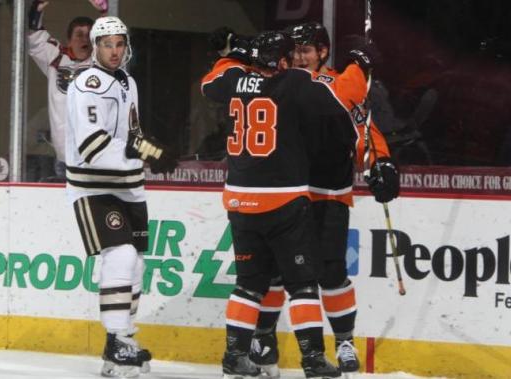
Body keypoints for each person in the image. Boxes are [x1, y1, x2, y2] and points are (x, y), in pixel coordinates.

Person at [201, 29, 366, 379]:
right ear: (280, 60)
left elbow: (210, 79)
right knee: (303, 283)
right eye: (289, 55)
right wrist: (359, 66)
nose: (293, 60)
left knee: (248, 285)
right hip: (282, 201)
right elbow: (346, 95)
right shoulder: (292, 83)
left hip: (239, 201)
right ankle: (312, 359)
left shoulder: (233, 80)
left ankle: (234, 356)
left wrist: (235, 55)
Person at [247, 22, 400, 378]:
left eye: (307, 49)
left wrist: (381, 162)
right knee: (273, 271)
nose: (299, 55)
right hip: (283, 194)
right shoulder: (281, 84)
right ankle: (264, 336)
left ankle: (344, 341)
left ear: (323, 53)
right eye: (295, 50)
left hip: (328, 193)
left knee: (331, 270)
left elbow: (365, 132)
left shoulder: (336, 88)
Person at [66, 16, 177, 378]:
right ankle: (115, 338)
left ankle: (122, 341)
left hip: (129, 186)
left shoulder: (127, 81)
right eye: (106, 44)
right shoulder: (87, 82)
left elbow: (131, 132)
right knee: (122, 253)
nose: (114, 51)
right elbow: (92, 144)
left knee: (137, 264)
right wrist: (143, 153)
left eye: (119, 44)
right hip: (94, 186)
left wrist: (151, 149)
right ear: (95, 47)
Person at [28, 0, 95, 181]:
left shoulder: (103, 65)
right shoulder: (57, 58)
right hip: (63, 159)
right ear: (68, 40)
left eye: (89, 35)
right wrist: (37, 7)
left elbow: (116, 45)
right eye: (79, 34)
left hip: (96, 160)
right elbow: (35, 37)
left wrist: (105, 13)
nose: (84, 39)